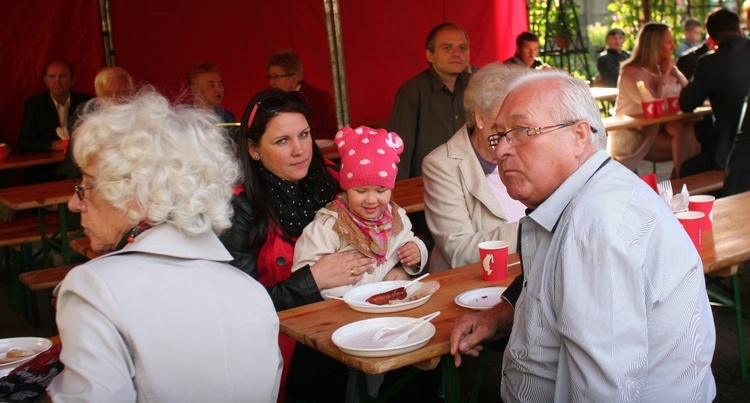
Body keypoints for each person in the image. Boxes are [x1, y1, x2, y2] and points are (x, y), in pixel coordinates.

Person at [449, 69, 716, 401]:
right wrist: (501, 315)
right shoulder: (586, 194)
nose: (501, 150)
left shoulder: (594, 227)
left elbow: (602, 393)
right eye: (498, 135)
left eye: (520, 131)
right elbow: (553, 292)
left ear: (578, 136)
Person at [48, 90, 282, 401]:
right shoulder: (251, 293)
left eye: (85, 185)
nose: (74, 203)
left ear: (134, 195)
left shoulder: (94, 288)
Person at [222, 88, 374, 401]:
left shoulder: (337, 180)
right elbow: (237, 307)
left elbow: (386, 232)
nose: (300, 150)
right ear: (253, 149)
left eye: (304, 135)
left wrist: (401, 262)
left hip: (355, 325)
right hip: (286, 351)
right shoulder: (240, 207)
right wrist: (312, 280)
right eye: (282, 141)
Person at [293, 125, 427, 297]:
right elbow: (305, 272)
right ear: (346, 189)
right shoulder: (330, 225)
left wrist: (415, 253)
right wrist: (353, 296)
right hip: (343, 309)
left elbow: (408, 241)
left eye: (381, 191)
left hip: (387, 304)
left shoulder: (396, 218)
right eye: (361, 191)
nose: (371, 200)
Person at [422, 63, 525, 273]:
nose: (512, 135)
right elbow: (459, 251)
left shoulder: (526, 152)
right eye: (503, 124)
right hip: (472, 287)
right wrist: (533, 230)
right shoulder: (442, 164)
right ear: (480, 116)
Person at [610, 22, 701, 176]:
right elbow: (653, 105)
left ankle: (681, 185)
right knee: (692, 144)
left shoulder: (664, 67)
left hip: (657, 129)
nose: (673, 46)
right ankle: (682, 187)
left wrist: (675, 72)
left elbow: (689, 96)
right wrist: (665, 75)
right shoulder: (631, 74)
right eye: (668, 42)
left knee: (686, 130)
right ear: (655, 46)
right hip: (634, 136)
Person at [387, 22, 472, 179]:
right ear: (429, 55)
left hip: (471, 181)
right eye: (447, 48)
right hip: (427, 185)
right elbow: (398, 152)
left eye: (462, 48)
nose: (457, 53)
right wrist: (401, 195)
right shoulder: (412, 92)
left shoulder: (475, 86)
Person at [679, 8, 750, 175]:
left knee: (687, 170)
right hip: (739, 151)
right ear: (739, 30)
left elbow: (686, 103)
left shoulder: (709, 63)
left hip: (732, 155)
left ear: (711, 39)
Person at [19, 60, 93, 183]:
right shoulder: (35, 105)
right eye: (52, 77)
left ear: (72, 79)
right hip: (46, 173)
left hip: (81, 170)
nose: (57, 81)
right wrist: (55, 145)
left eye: (62, 76)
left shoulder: (85, 102)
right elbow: (24, 142)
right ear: (46, 81)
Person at [64, 66, 135, 179]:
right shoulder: (83, 120)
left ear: (131, 93)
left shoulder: (142, 117)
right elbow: (73, 166)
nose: (114, 100)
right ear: (97, 96)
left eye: (120, 94)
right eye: (107, 95)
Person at [266, 51, 338, 140]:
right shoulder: (269, 102)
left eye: (276, 77)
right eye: (270, 77)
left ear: (294, 79)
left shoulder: (321, 98)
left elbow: (334, 134)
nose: (271, 82)